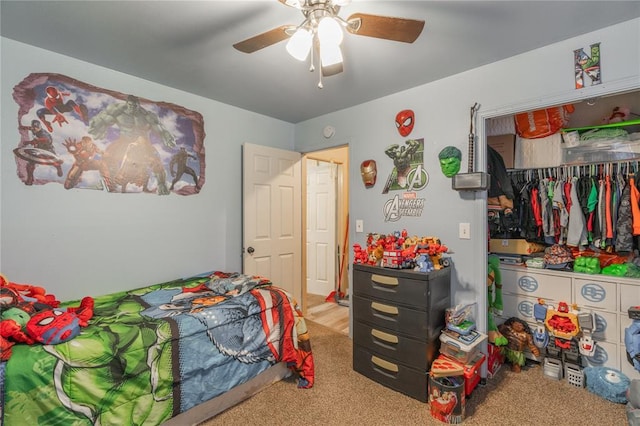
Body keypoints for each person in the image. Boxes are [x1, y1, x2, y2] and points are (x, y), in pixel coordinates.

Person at [88, 95, 175, 194]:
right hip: (124, 140)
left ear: (139, 105)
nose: (132, 107)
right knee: (108, 156)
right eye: (130, 105)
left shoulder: (148, 116)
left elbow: (160, 128)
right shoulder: (117, 110)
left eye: (135, 106)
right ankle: (112, 183)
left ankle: (161, 185)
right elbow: (102, 119)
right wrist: (98, 127)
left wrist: (166, 137)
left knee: (156, 161)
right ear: (126, 103)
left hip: (142, 143)